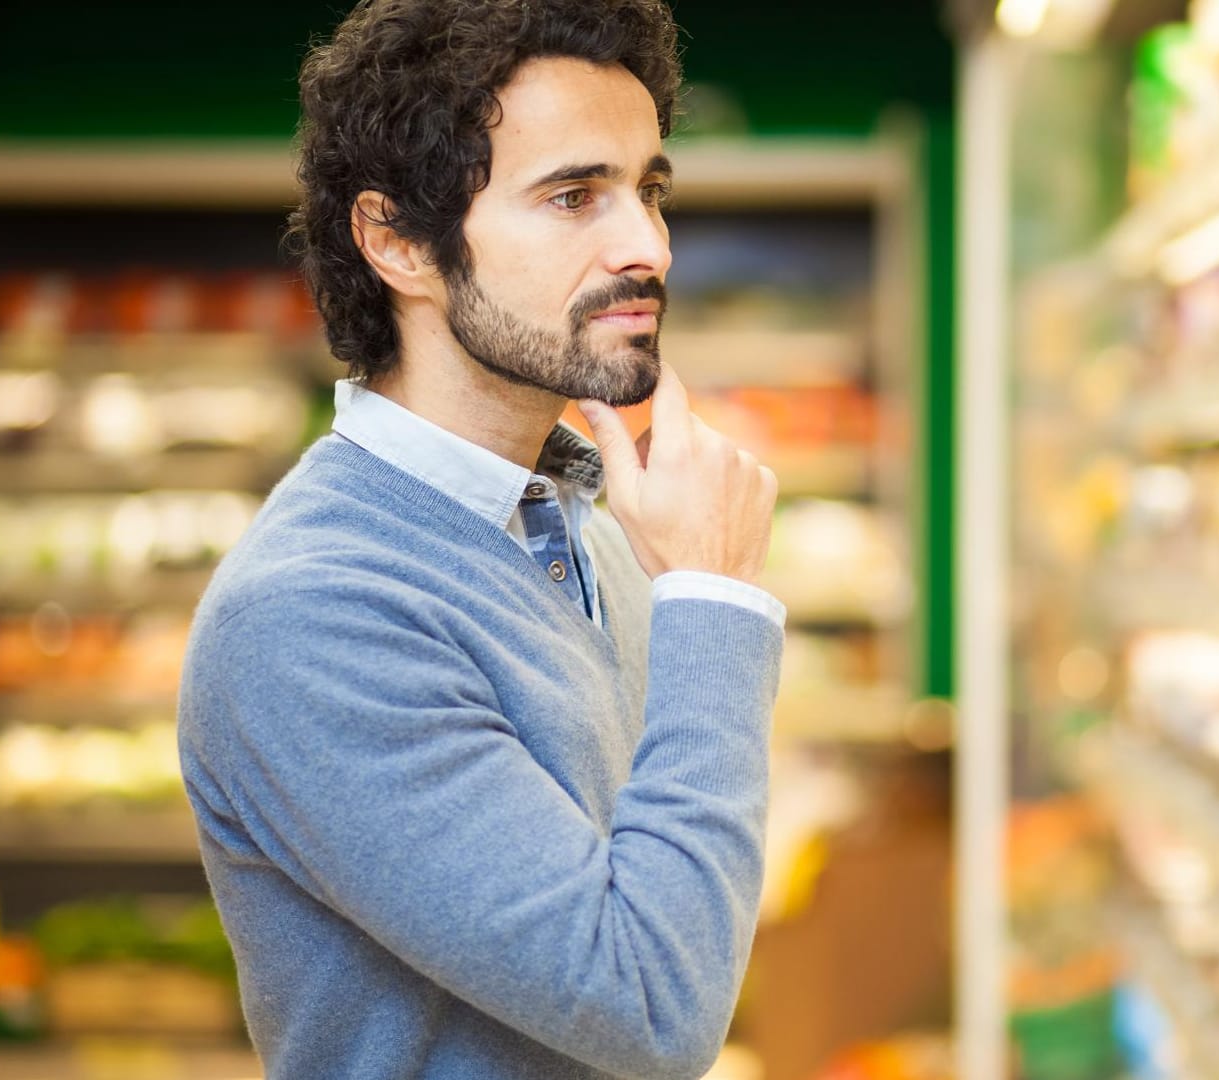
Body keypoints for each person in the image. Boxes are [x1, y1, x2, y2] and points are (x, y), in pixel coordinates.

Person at [176, 1, 785, 1077]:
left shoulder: (589, 525)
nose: (647, 246)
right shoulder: (316, 609)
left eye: (649, 190)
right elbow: (650, 1004)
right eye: (573, 196)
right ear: (398, 241)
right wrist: (713, 602)